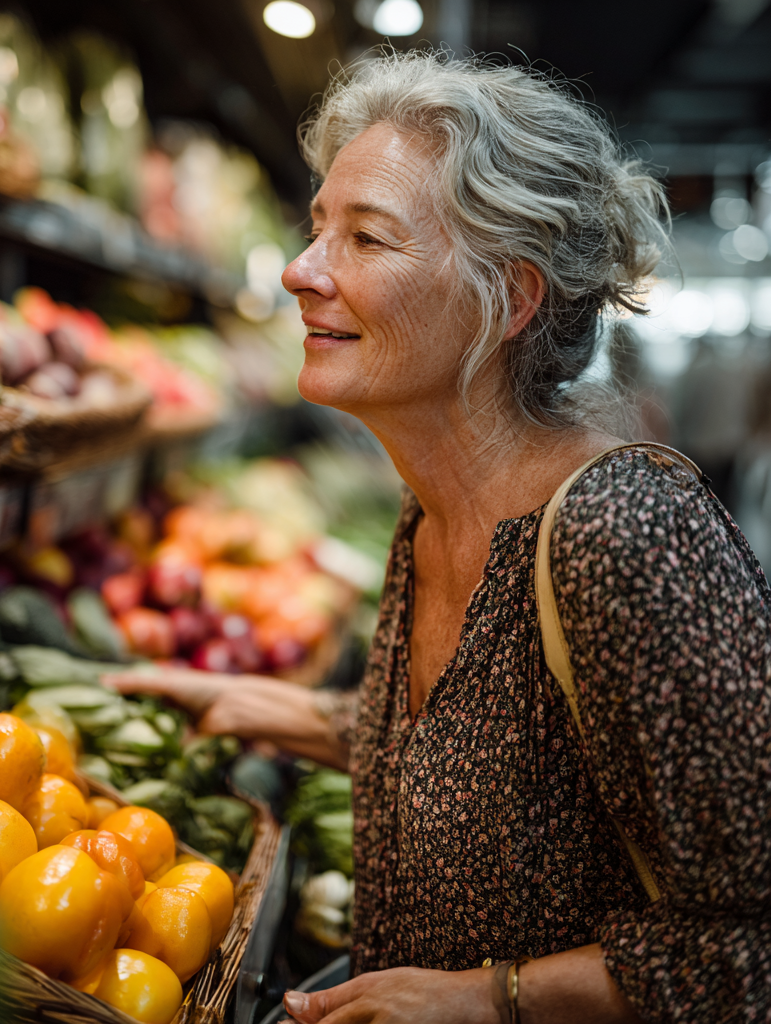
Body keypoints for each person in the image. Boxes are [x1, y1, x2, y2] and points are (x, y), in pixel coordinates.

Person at [107, 51, 771, 1023]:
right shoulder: (430, 510)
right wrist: (306, 718)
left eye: (366, 239)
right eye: (315, 229)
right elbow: (508, 754)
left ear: (509, 299)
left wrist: (490, 999)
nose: (300, 271)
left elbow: (751, 944)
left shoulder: (623, 535)